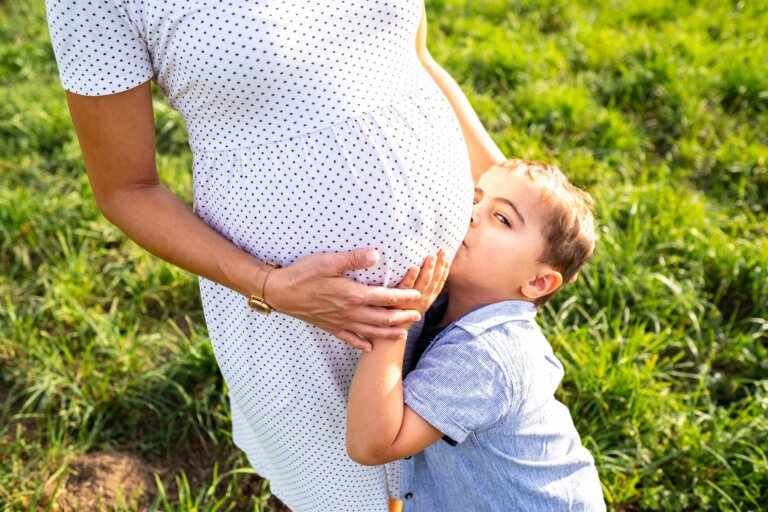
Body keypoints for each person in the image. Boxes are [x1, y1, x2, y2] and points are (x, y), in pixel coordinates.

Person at [45, 0, 504, 510]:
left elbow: (415, 58)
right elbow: (126, 188)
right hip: (301, 311)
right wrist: (268, 286)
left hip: (463, 274)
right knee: (347, 487)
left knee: (459, 475)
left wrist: (518, 190)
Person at [347, 159, 606, 511]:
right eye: (475, 199)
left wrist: (396, 319)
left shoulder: (485, 354)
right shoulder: (451, 302)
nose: (470, 214)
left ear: (538, 282)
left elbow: (372, 445)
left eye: (502, 218)